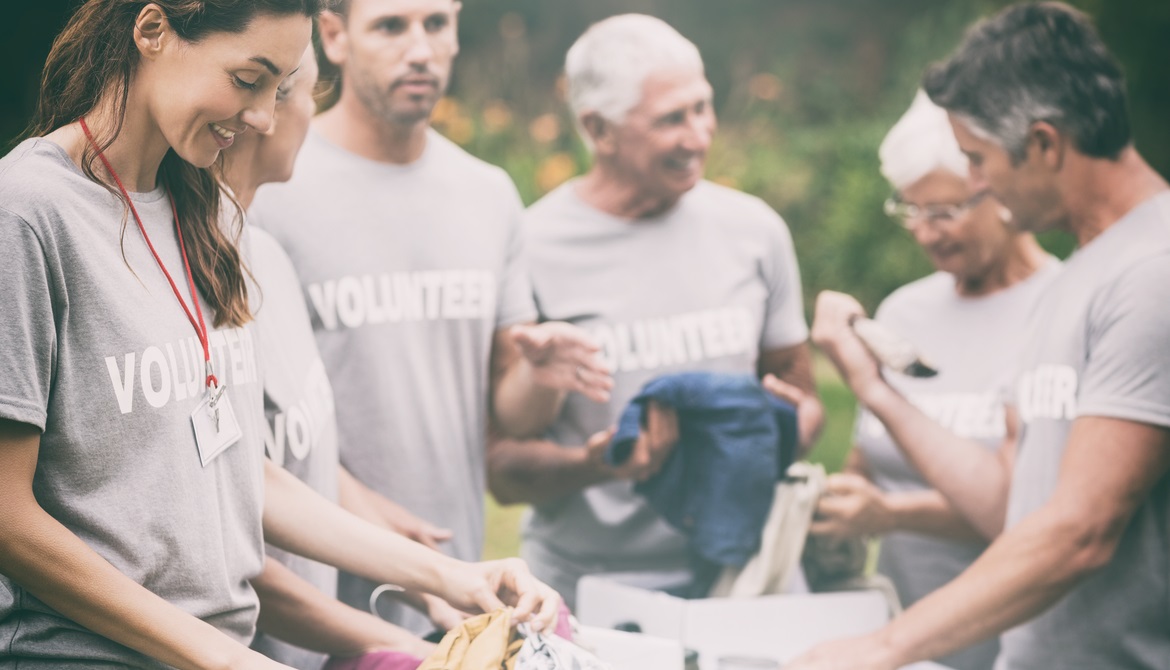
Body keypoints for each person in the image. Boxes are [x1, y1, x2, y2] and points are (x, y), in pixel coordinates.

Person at [0, 1, 560, 667]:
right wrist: (222, 656)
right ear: (151, 32)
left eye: (281, 87)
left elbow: (240, 470)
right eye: (247, 80)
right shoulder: (28, 214)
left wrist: (453, 576)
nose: (265, 117)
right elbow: (8, 515)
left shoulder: (204, 216)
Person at [789, 3, 1170, 669]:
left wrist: (887, 647)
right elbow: (1014, 506)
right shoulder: (1077, 274)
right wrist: (872, 389)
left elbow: (1081, 531)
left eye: (978, 159)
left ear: (1046, 144)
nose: (977, 183)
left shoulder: (1152, 273)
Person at [247, 0, 610, 632]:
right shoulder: (272, 184)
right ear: (333, 35)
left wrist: (541, 377)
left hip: (462, 587)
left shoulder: (488, 192)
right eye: (391, 26)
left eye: (436, 24)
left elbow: (512, 419)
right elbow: (258, 431)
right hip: (315, 599)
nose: (420, 49)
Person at [485, 14, 825, 607]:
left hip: (743, 578)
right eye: (672, 119)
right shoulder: (530, 244)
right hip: (588, 589)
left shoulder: (754, 231)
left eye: (703, 107)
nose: (699, 135)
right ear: (599, 128)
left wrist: (787, 425)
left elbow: (803, 399)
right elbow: (503, 468)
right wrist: (597, 466)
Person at [806, 90, 1059, 670]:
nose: (924, 232)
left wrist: (893, 515)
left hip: (1012, 643)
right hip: (901, 638)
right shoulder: (902, 313)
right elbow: (869, 459)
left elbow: (1031, 510)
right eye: (910, 210)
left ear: (998, 190)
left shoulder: (1056, 307)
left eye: (944, 212)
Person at [223, 46, 436, 669]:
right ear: (264, 109)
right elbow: (234, 536)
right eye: (313, 96)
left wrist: (432, 578)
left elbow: (293, 452)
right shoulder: (190, 282)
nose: (314, 119)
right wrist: (393, 639)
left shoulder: (269, 258)